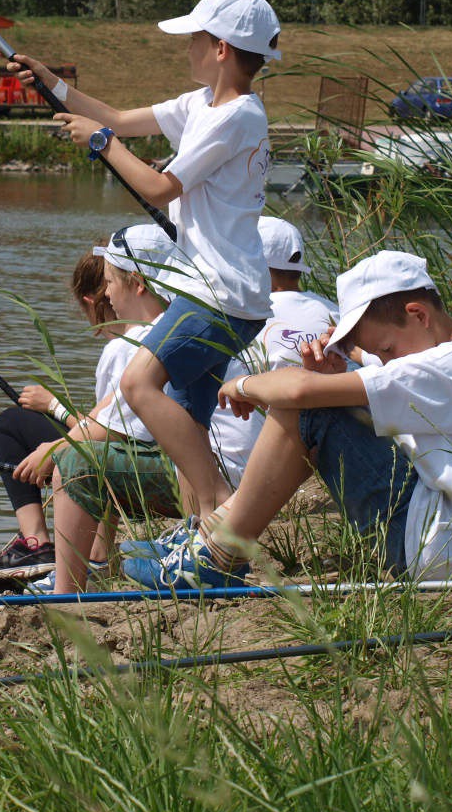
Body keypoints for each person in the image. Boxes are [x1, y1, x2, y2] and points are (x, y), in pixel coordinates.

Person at [8, 0, 281, 525]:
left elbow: (160, 189)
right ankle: (199, 531)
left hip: (221, 293)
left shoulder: (237, 117)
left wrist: (103, 143)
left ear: (221, 48)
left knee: (137, 383)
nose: (187, 49)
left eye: (195, 40)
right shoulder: (201, 105)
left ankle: (216, 510)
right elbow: (116, 114)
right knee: (186, 416)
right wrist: (52, 82)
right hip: (218, 290)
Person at [124, 250, 452, 591]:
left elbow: (299, 393)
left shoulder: (442, 367)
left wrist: (245, 385)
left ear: (418, 314)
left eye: (389, 349)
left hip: (433, 550)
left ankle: (214, 554)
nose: (389, 360)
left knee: (311, 406)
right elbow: (376, 379)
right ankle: (213, 538)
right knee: (321, 402)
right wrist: (343, 369)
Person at [125, 216, 339, 558]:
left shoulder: (240, 319)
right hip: (320, 453)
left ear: (253, 261)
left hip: (249, 471)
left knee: (182, 399)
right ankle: (202, 524)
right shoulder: (334, 314)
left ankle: (201, 524)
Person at [13, 225, 184, 594]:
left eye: (109, 281)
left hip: (177, 480)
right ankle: (93, 560)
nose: (105, 292)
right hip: (196, 472)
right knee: (83, 451)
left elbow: (115, 429)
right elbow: (112, 421)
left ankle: (69, 586)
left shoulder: (132, 344)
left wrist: (55, 447)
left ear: (136, 283)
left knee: (75, 463)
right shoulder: (180, 324)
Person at [0, 248, 117, 580]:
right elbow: (114, 421)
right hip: (136, 448)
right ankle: (90, 553)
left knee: (9, 426)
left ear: (89, 301)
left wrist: (54, 408)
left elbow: (111, 432)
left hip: (133, 460)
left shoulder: (122, 349)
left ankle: (42, 543)